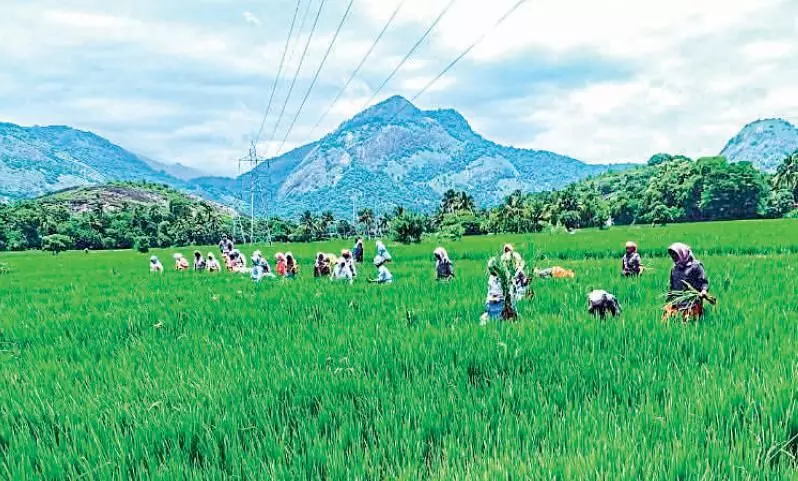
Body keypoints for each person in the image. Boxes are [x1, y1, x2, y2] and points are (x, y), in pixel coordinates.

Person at [664, 242, 710, 319]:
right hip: (677, 302)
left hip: (692, 303)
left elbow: (703, 282)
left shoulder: (696, 266)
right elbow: (672, 285)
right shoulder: (674, 268)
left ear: (682, 253)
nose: (673, 257)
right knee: (667, 321)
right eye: (671, 254)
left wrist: (704, 291)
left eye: (675, 254)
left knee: (688, 323)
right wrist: (670, 295)